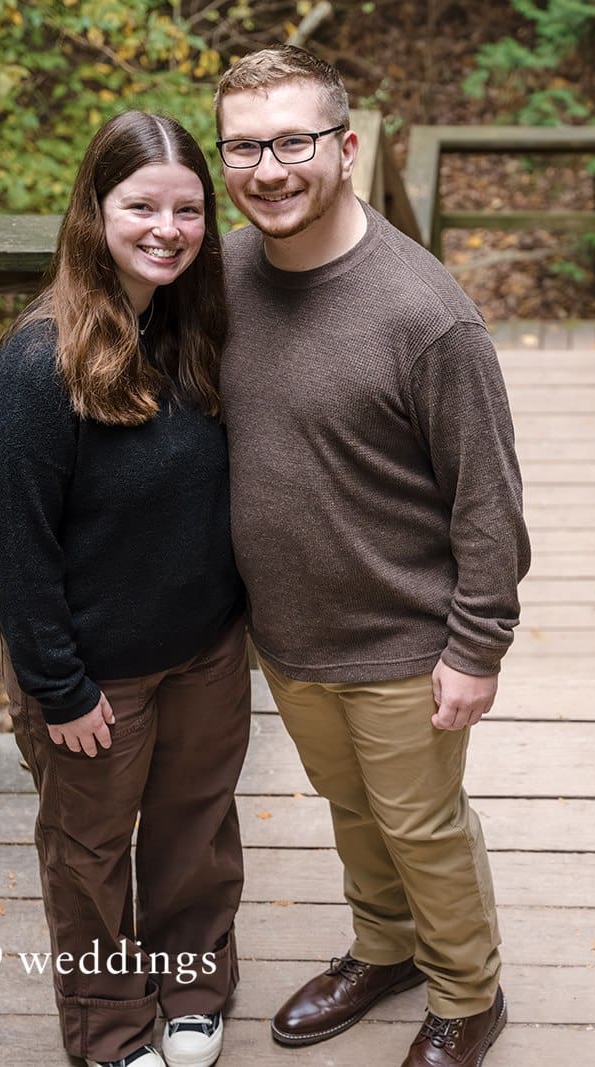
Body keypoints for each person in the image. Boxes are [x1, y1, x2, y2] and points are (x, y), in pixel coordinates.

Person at [213, 46, 530, 1067]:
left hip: (403, 634)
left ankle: (467, 993)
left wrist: (476, 645)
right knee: (353, 808)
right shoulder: (216, 273)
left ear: (346, 148)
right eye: (244, 147)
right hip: (288, 629)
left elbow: (489, 501)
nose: (269, 169)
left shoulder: (424, 314)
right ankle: (382, 949)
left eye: (293, 142)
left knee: (421, 824)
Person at [0, 109, 247, 1067]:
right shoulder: (35, 365)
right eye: (140, 206)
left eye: (187, 209)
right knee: (89, 858)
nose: (166, 228)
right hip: (96, 677)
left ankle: (194, 985)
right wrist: (60, 685)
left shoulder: (192, 330)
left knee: (195, 832)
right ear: (96, 210)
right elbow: (16, 545)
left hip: (205, 651)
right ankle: (111, 1027)